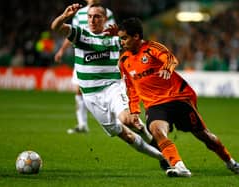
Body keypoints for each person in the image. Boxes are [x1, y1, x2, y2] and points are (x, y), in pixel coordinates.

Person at [118, 17, 239, 177]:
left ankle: (230, 162)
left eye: (124, 38)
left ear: (136, 36)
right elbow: (131, 88)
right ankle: (180, 167)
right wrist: (134, 111)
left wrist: (167, 68)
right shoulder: (124, 61)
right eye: (120, 39)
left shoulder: (151, 48)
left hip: (177, 99)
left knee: (205, 137)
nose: (122, 42)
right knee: (156, 131)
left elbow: (170, 58)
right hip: (154, 105)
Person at [51, 3, 170, 172]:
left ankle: (162, 150)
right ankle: (162, 157)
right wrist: (64, 16)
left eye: (97, 16)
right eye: (90, 16)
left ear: (105, 19)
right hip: (91, 97)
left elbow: (140, 45)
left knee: (129, 120)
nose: (92, 20)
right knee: (127, 136)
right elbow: (56, 27)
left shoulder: (116, 39)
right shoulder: (80, 34)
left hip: (113, 87)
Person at [54, 0, 116, 134]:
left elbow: (113, 32)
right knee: (78, 90)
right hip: (83, 54)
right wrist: (61, 50)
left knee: (107, 87)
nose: (92, 20)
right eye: (90, 17)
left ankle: (117, 116)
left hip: (101, 53)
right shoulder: (79, 13)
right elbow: (69, 33)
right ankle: (82, 124)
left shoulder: (107, 13)